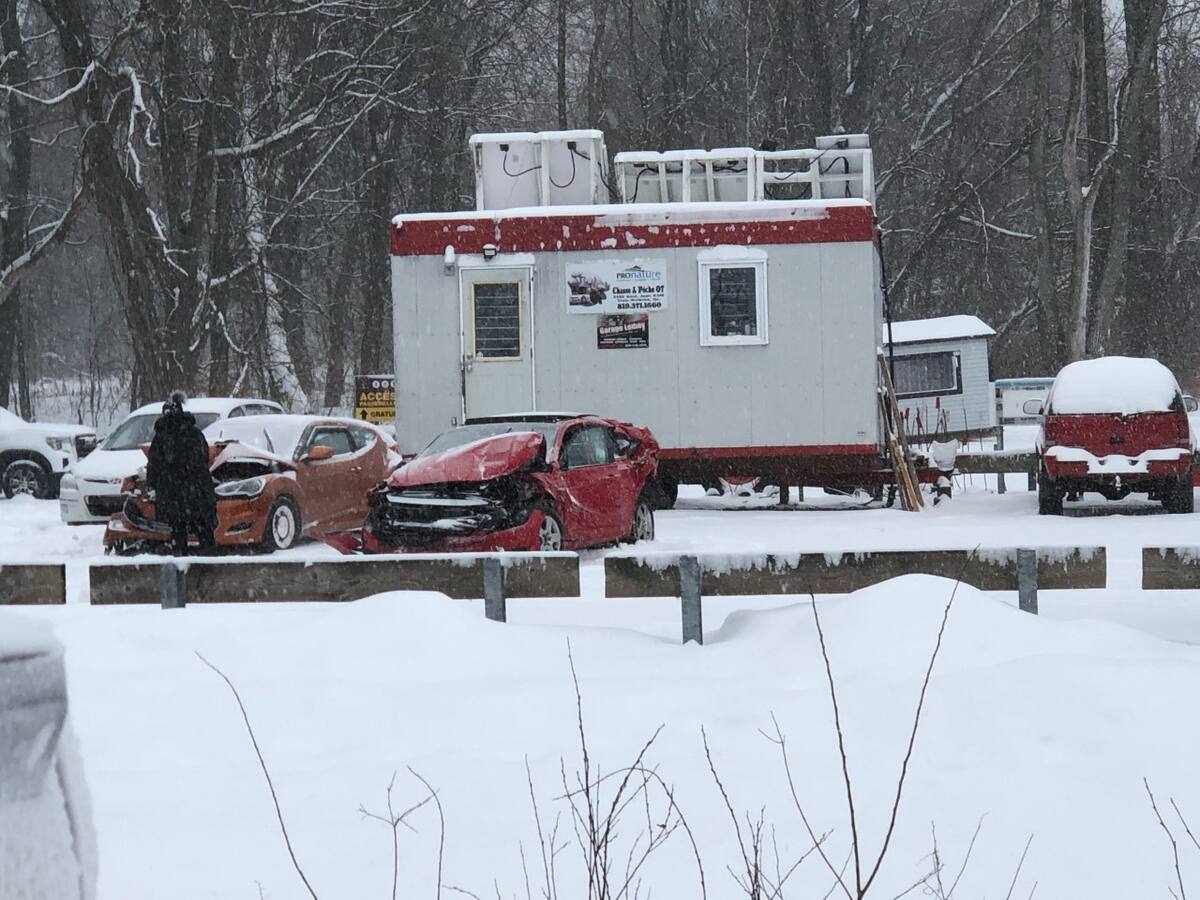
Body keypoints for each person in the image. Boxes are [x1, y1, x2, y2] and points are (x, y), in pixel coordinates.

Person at [146, 391, 217, 555]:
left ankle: (182, 570)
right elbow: (204, 457)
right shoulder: (195, 433)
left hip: (172, 497)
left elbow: (153, 466)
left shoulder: (161, 438)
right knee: (204, 533)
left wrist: (156, 486)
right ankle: (210, 570)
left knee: (178, 534)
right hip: (197, 494)